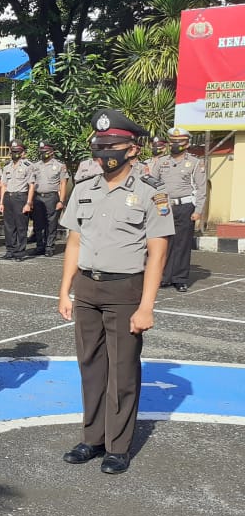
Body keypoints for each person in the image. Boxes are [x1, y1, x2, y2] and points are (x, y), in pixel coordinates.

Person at [58, 108, 173, 474]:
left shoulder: (151, 194)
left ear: (132, 150)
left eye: (113, 146)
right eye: (100, 146)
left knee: (122, 370)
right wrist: (65, 291)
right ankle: (93, 439)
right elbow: (74, 243)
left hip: (125, 289)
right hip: (87, 288)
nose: (104, 153)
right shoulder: (85, 189)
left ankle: (118, 447)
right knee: (90, 367)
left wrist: (147, 306)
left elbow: (158, 252)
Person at [153, 127, 206, 292]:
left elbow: (201, 188)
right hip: (164, 206)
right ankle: (165, 277)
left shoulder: (195, 163)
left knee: (182, 244)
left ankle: (180, 278)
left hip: (185, 207)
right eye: (173, 141)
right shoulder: (161, 162)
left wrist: (198, 210)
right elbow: (152, 183)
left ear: (187, 143)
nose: (175, 144)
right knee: (164, 243)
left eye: (179, 142)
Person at [0, 139, 36, 260]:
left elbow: (31, 185)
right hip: (8, 197)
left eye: (17, 151)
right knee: (9, 226)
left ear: (22, 153)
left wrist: (28, 203)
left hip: (21, 197)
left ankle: (20, 252)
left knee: (21, 226)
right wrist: (1, 202)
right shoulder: (7, 167)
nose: (14, 153)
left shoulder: (28, 166)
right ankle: (10, 250)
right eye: (12, 151)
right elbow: (3, 185)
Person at [31, 141, 69, 257]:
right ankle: (40, 246)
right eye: (41, 152)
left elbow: (63, 184)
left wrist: (61, 201)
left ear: (52, 152)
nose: (43, 154)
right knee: (38, 223)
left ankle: (49, 247)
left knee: (51, 224)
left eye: (45, 152)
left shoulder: (59, 166)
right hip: (38, 197)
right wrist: (30, 200)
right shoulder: (35, 166)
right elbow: (32, 183)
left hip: (52, 197)